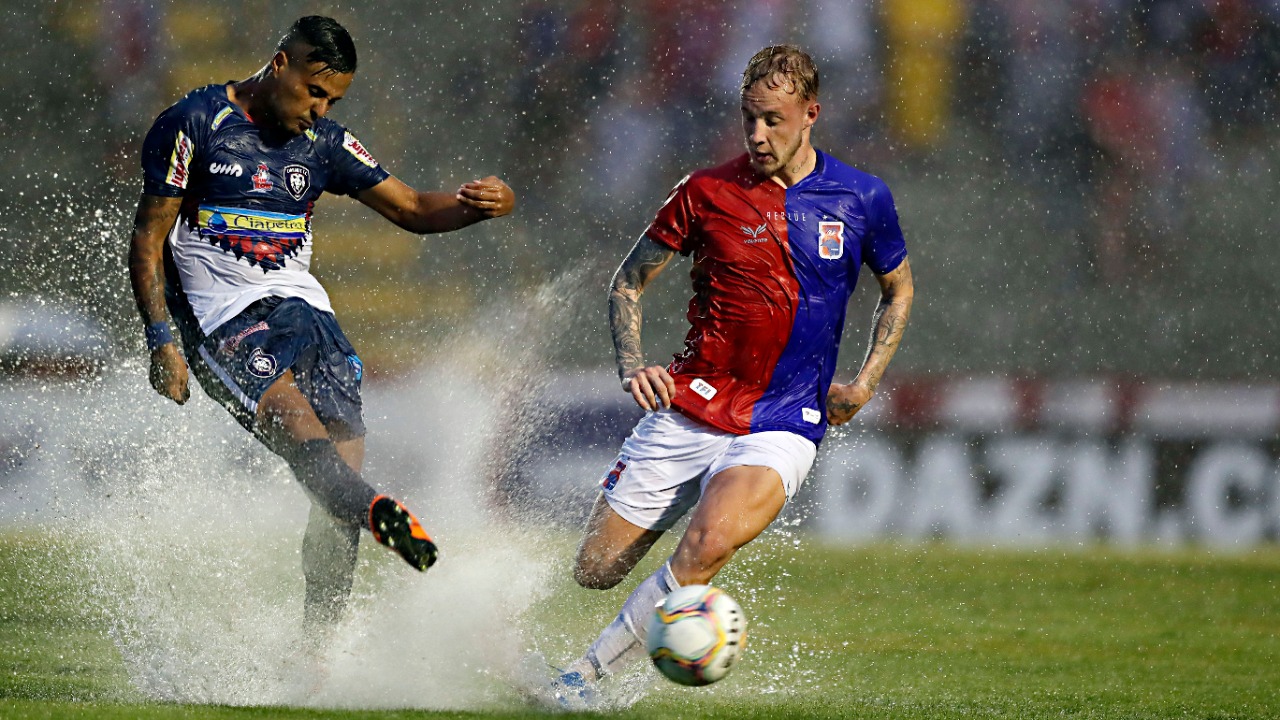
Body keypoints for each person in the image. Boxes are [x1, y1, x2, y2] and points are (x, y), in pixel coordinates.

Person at [541, 45, 913, 707]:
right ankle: (646, 617)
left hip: (784, 419)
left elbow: (898, 289)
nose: (757, 135)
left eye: (772, 120)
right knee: (595, 569)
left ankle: (582, 680)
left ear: (811, 114)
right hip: (693, 402)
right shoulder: (705, 192)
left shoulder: (861, 197)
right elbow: (628, 282)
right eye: (748, 118)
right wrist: (632, 365)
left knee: (708, 542)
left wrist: (864, 381)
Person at [127, 16, 515, 637]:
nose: (320, 109)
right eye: (314, 92)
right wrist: (162, 341)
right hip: (224, 321)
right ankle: (380, 513)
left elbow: (414, 208)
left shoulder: (324, 142)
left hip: (308, 317)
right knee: (308, 446)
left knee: (335, 498)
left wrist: (485, 205)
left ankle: (316, 651)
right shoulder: (193, 122)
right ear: (280, 64)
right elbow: (148, 240)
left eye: (332, 100)